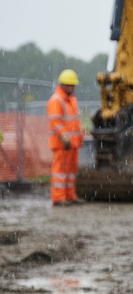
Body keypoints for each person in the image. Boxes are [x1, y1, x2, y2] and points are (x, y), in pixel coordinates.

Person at [47, 69, 85, 206]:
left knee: (70, 172)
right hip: (61, 144)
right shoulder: (56, 101)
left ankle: (70, 197)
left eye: (73, 85)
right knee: (60, 173)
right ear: (62, 85)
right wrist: (64, 137)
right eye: (69, 85)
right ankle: (59, 198)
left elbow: (74, 122)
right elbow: (55, 122)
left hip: (73, 144)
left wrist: (81, 135)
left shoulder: (72, 100)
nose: (72, 88)